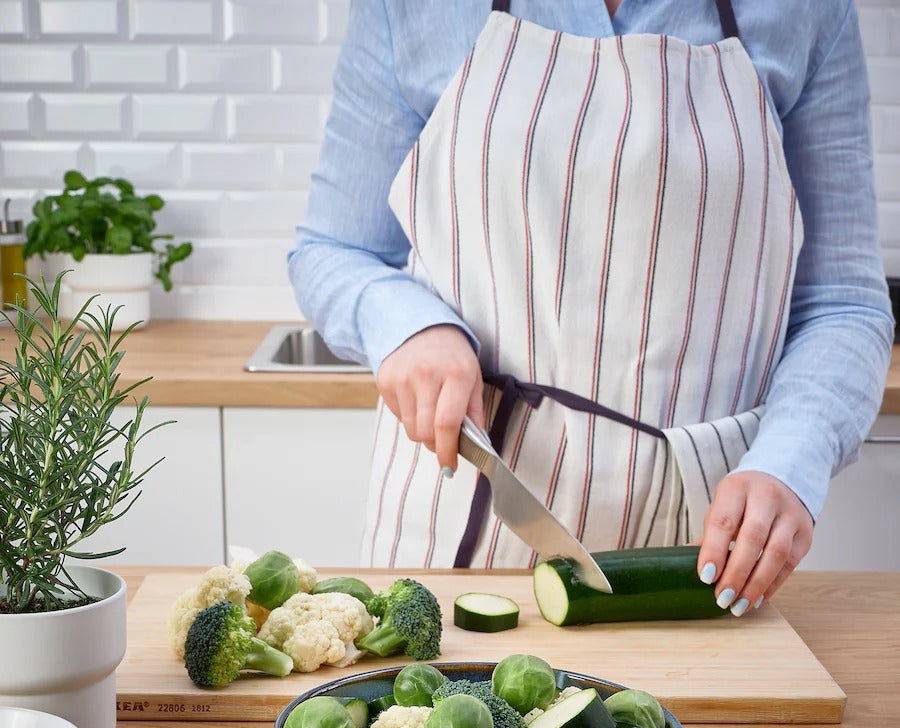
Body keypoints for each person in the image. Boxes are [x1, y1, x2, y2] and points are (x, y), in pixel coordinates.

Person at [288, 0, 894, 617]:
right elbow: (333, 250)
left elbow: (843, 303)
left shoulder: (809, 11)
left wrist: (793, 460)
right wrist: (407, 325)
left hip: (701, 550)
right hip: (461, 517)